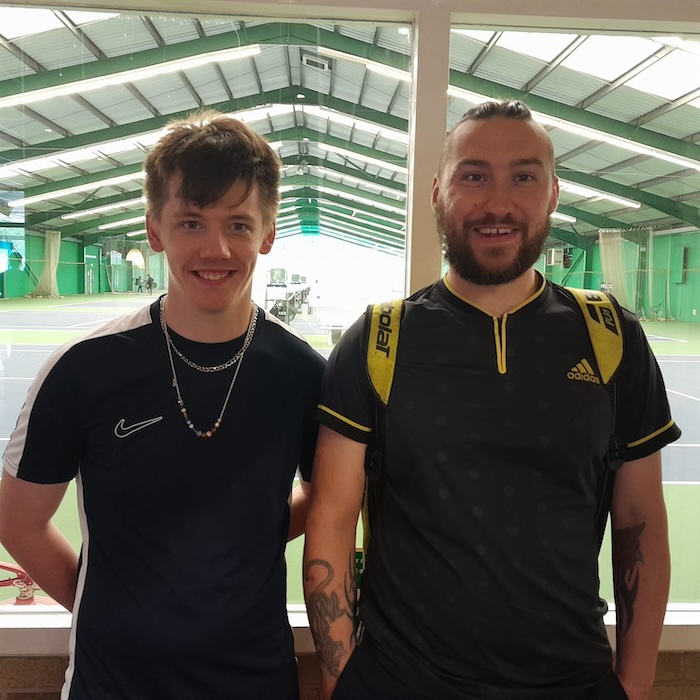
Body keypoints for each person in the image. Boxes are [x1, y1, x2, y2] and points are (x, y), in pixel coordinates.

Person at [303, 100, 680, 700]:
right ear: (437, 192)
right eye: (473, 176)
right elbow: (330, 521)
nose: (498, 204)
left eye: (523, 177)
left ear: (553, 194)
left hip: (572, 682)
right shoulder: (379, 339)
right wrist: (342, 679)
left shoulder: (612, 338)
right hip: (401, 685)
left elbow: (641, 524)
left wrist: (630, 686)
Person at [0, 110, 326, 699]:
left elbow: (331, 494)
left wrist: (248, 528)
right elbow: (17, 520)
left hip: (256, 682)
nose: (216, 248)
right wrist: (105, 607)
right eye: (192, 223)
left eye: (239, 225)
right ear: (154, 230)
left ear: (270, 231)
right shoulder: (84, 368)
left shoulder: (303, 373)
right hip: (113, 684)